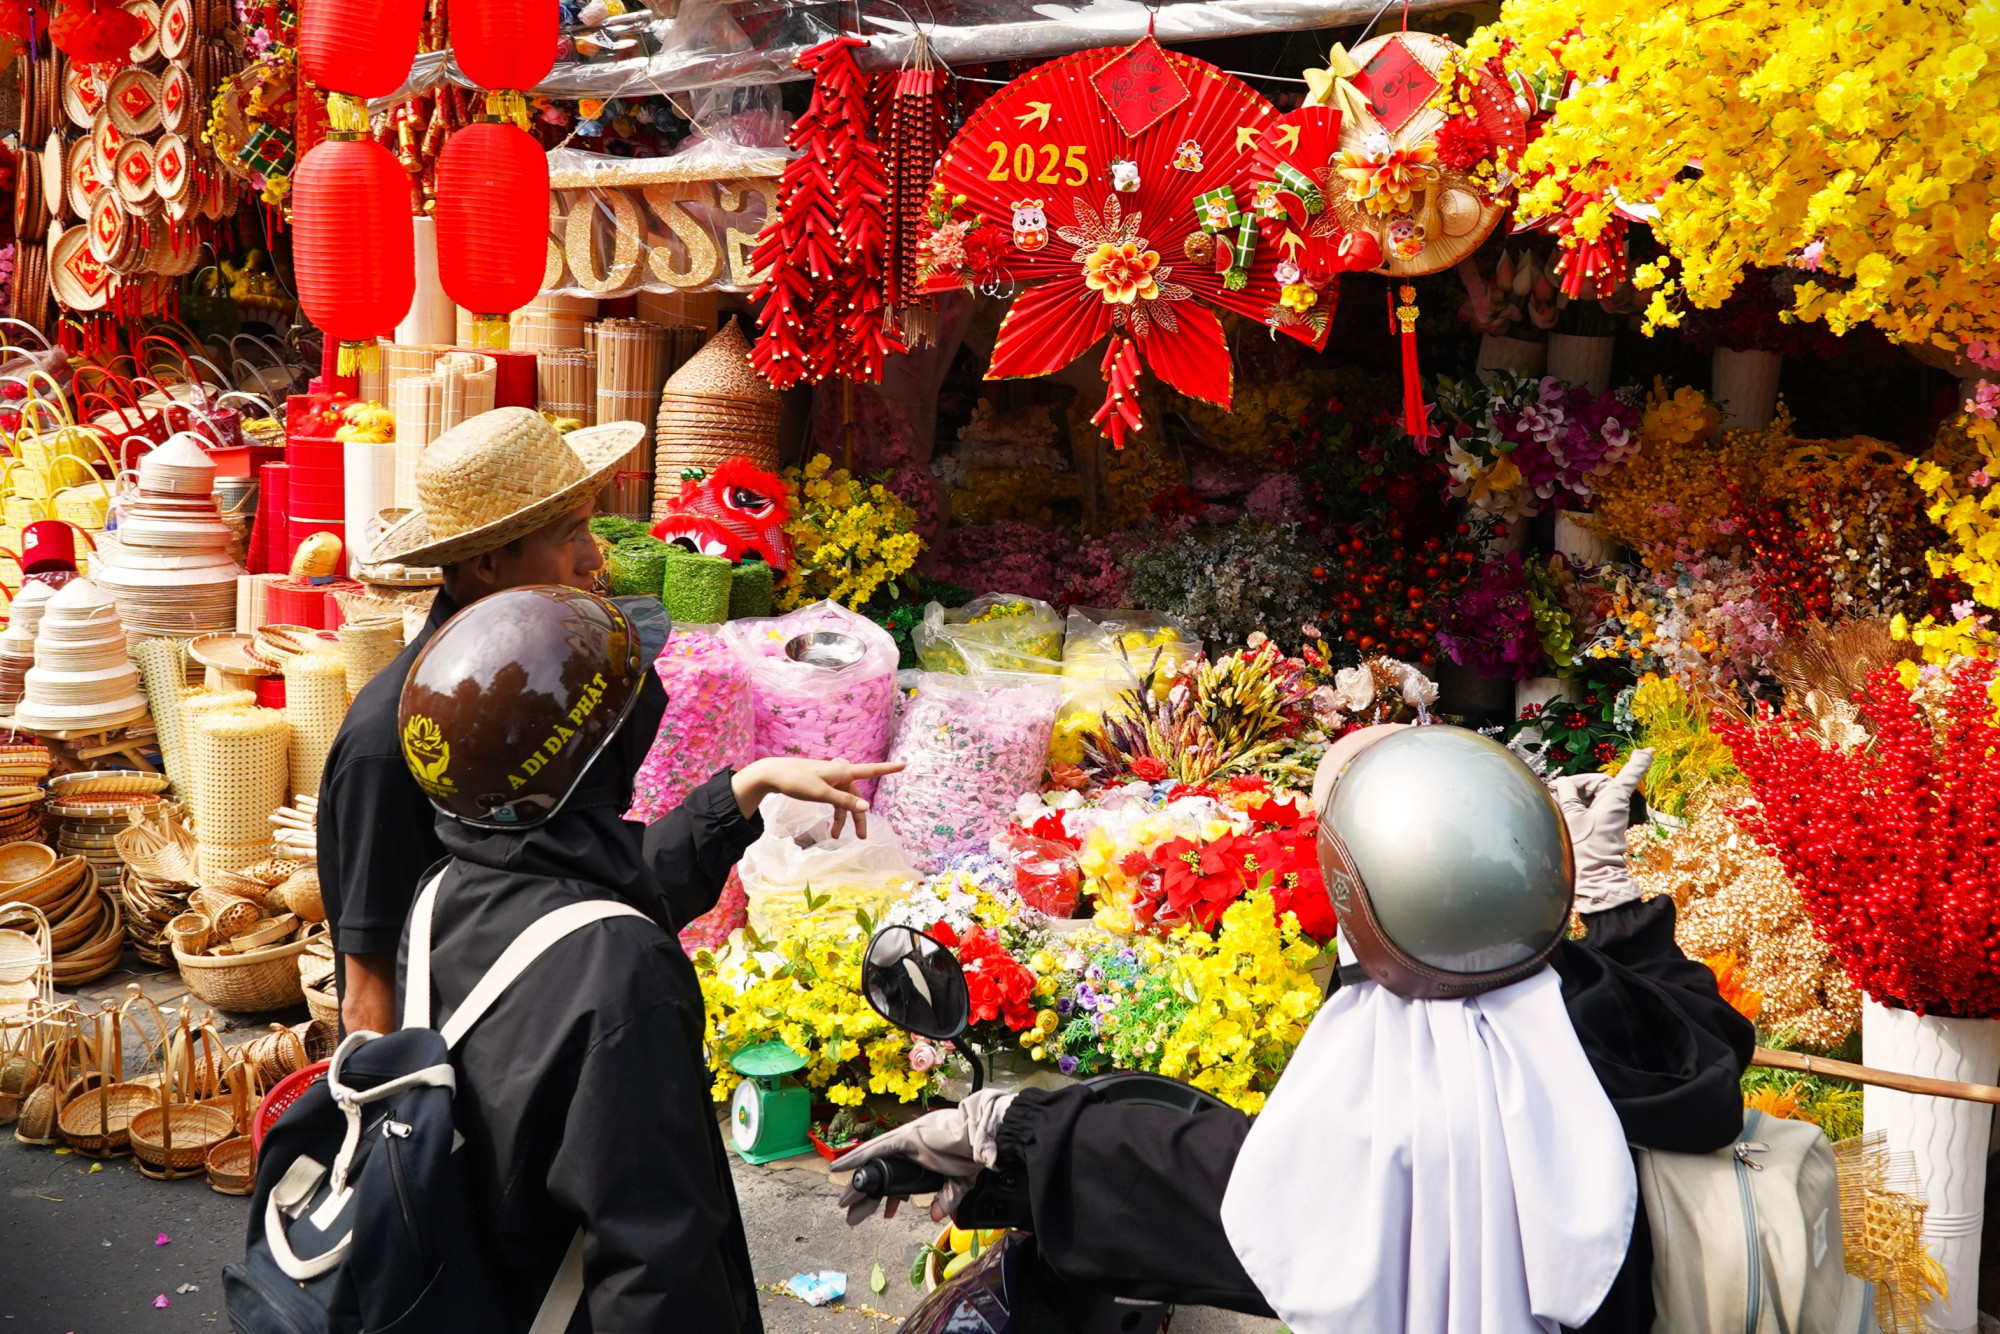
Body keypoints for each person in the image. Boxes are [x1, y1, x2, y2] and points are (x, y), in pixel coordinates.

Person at [836, 726, 1753, 1334]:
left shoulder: (1380, 1116)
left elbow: (1205, 1180)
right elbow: (1705, 1040)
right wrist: (1616, 906)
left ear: (1363, 896)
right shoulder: (1615, 1027)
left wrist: (1003, 1135)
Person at [395, 585, 899, 1331]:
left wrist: (745, 788)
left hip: (483, 1284)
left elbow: (594, 893)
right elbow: (654, 1262)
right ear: (605, 754)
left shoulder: (447, 891)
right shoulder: (623, 970)